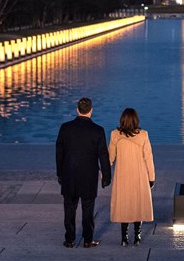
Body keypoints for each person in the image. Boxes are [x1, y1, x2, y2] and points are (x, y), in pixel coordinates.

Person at [55, 97, 112, 248]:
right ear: (91, 111)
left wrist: (59, 173)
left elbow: (59, 153)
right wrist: (106, 177)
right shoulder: (98, 130)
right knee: (88, 208)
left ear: (77, 110)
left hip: (69, 175)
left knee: (69, 208)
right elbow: (103, 155)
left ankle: (69, 239)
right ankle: (88, 239)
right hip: (88, 176)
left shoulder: (65, 127)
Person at [108, 108, 156, 246]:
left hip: (122, 176)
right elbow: (148, 159)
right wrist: (151, 177)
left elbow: (110, 157)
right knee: (137, 205)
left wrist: (104, 174)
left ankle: (124, 237)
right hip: (139, 176)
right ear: (136, 120)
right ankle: (138, 236)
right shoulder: (143, 135)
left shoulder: (115, 135)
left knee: (124, 205)